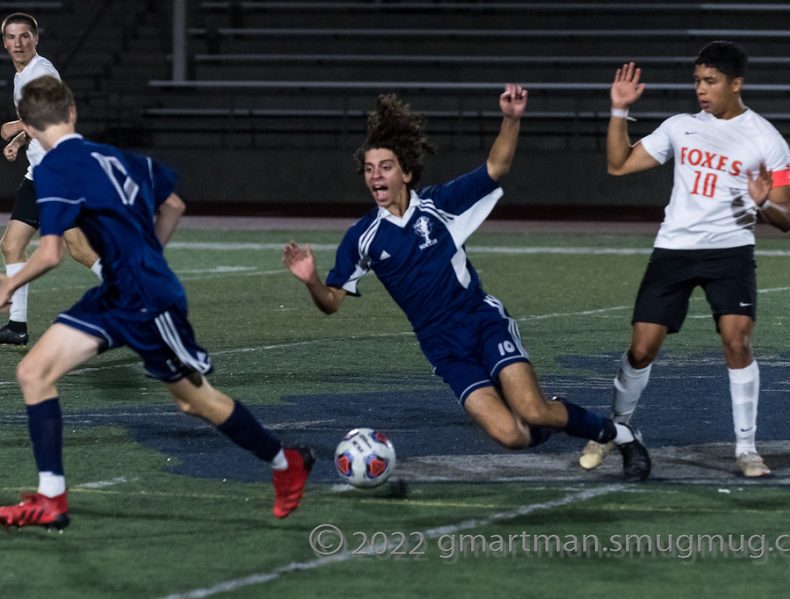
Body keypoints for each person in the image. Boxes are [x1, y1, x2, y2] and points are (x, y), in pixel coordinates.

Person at [283, 86, 651, 482]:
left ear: (406, 172)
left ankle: (619, 435)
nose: (376, 175)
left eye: (385, 166)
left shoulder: (439, 204)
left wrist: (511, 118)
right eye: (370, 169)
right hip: (442, 347)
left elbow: (496, 166)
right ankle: (563, 417)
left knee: (532, 410)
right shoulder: (362, 237)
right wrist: (312, 282)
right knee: (512, 436)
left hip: (481, 321)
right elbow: (332, 301)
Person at [0, 76, 314, 530]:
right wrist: (148, 257)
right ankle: (52, 498)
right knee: (33, 372)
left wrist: (9, 286)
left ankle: (287, 462)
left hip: (147, 301)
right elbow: (174, 205)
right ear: (72, 113)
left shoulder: (52, 170)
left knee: (194, 401)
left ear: (27, 126)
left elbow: (49, 254)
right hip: (119, 293)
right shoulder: (116, 156)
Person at [579, 41, 790, 477]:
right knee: (641, 350)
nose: (701, 89)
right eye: (697, 80)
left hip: (730, 253)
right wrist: (619, 111)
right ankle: (615, 433)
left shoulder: (767, 140)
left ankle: (746, 449)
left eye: (711, 81)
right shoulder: (680, 126)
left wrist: (763, 205)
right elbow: (619, 165)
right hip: (674, 250)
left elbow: (787, 216)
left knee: (737, 342)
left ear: (736, 84)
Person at [0, 12, 101, 346]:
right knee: (11, 245)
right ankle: (17, 326)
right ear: (4, 43)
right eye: (12, 37)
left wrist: (15, 127)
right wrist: (18, 142)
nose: (19, 43)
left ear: (36, 39)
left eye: (25, 36)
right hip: (39, 172)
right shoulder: (22, 76)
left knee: (78, 248)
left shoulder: (41, 71)